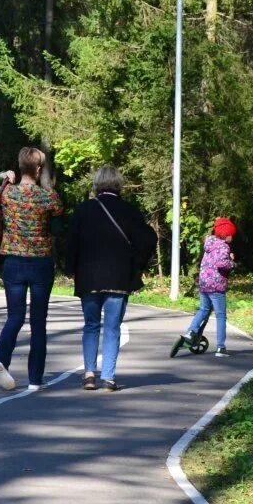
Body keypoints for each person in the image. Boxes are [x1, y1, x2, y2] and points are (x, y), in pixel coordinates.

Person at [64, 166, 157, 391]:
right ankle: (108, 377)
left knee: (91, 326)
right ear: (119, 185)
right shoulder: (130, 211)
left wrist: (70, 269)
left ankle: (88, 374)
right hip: (119, 278)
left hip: (89, 278)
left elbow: (71, 242)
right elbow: (148, 239)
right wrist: (135, 266)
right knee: (113, 328)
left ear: (96, 184)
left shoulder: (84, 210)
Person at [0, 147, 65, 392]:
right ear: (40, 169)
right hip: (41, 263)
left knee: (14, 317)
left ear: (20, 168)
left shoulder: (7, 193)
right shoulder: (49, 198)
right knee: (38, 322)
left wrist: (1, 177)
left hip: (13, 263)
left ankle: (1, 359)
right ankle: (35, 380)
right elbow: (58, 227)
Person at [171, 217, 237, 358]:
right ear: (226, 234)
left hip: (204, 283)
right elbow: (221, 264)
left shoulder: (209, 243)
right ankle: (221, 347)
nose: (232, 237)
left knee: (203, 309)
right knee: (220, 316)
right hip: (217, 286)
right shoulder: (224, 246)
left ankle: (191, 331)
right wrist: (232, 262)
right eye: (231, 234)